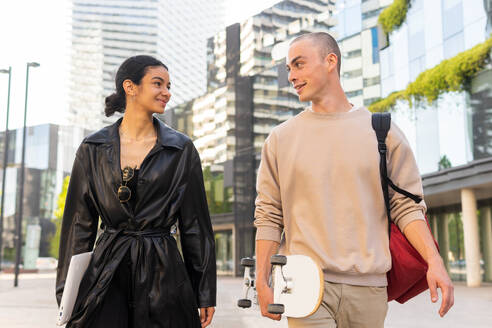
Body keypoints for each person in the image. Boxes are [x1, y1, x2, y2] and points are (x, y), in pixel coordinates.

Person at [254, 32, 454, 328]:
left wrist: (434, 261)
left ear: (330, 61)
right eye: (289, 69)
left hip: (369, 287)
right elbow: (269, 215)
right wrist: (261, 280)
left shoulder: (382, 132)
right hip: (303, 283)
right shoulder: (280, 139)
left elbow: (407, 208)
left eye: (299, 65)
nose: (292, 77)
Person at [55, 55, 216, 328]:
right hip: (106, 273)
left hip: (165, 274)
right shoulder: (92, 148)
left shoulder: (181, 149)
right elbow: (78, 227)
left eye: (168, 85)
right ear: (130, 87)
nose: (167, 92)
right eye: (158, 83)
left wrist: (204, 291)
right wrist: (66, 295)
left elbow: (195, 225)